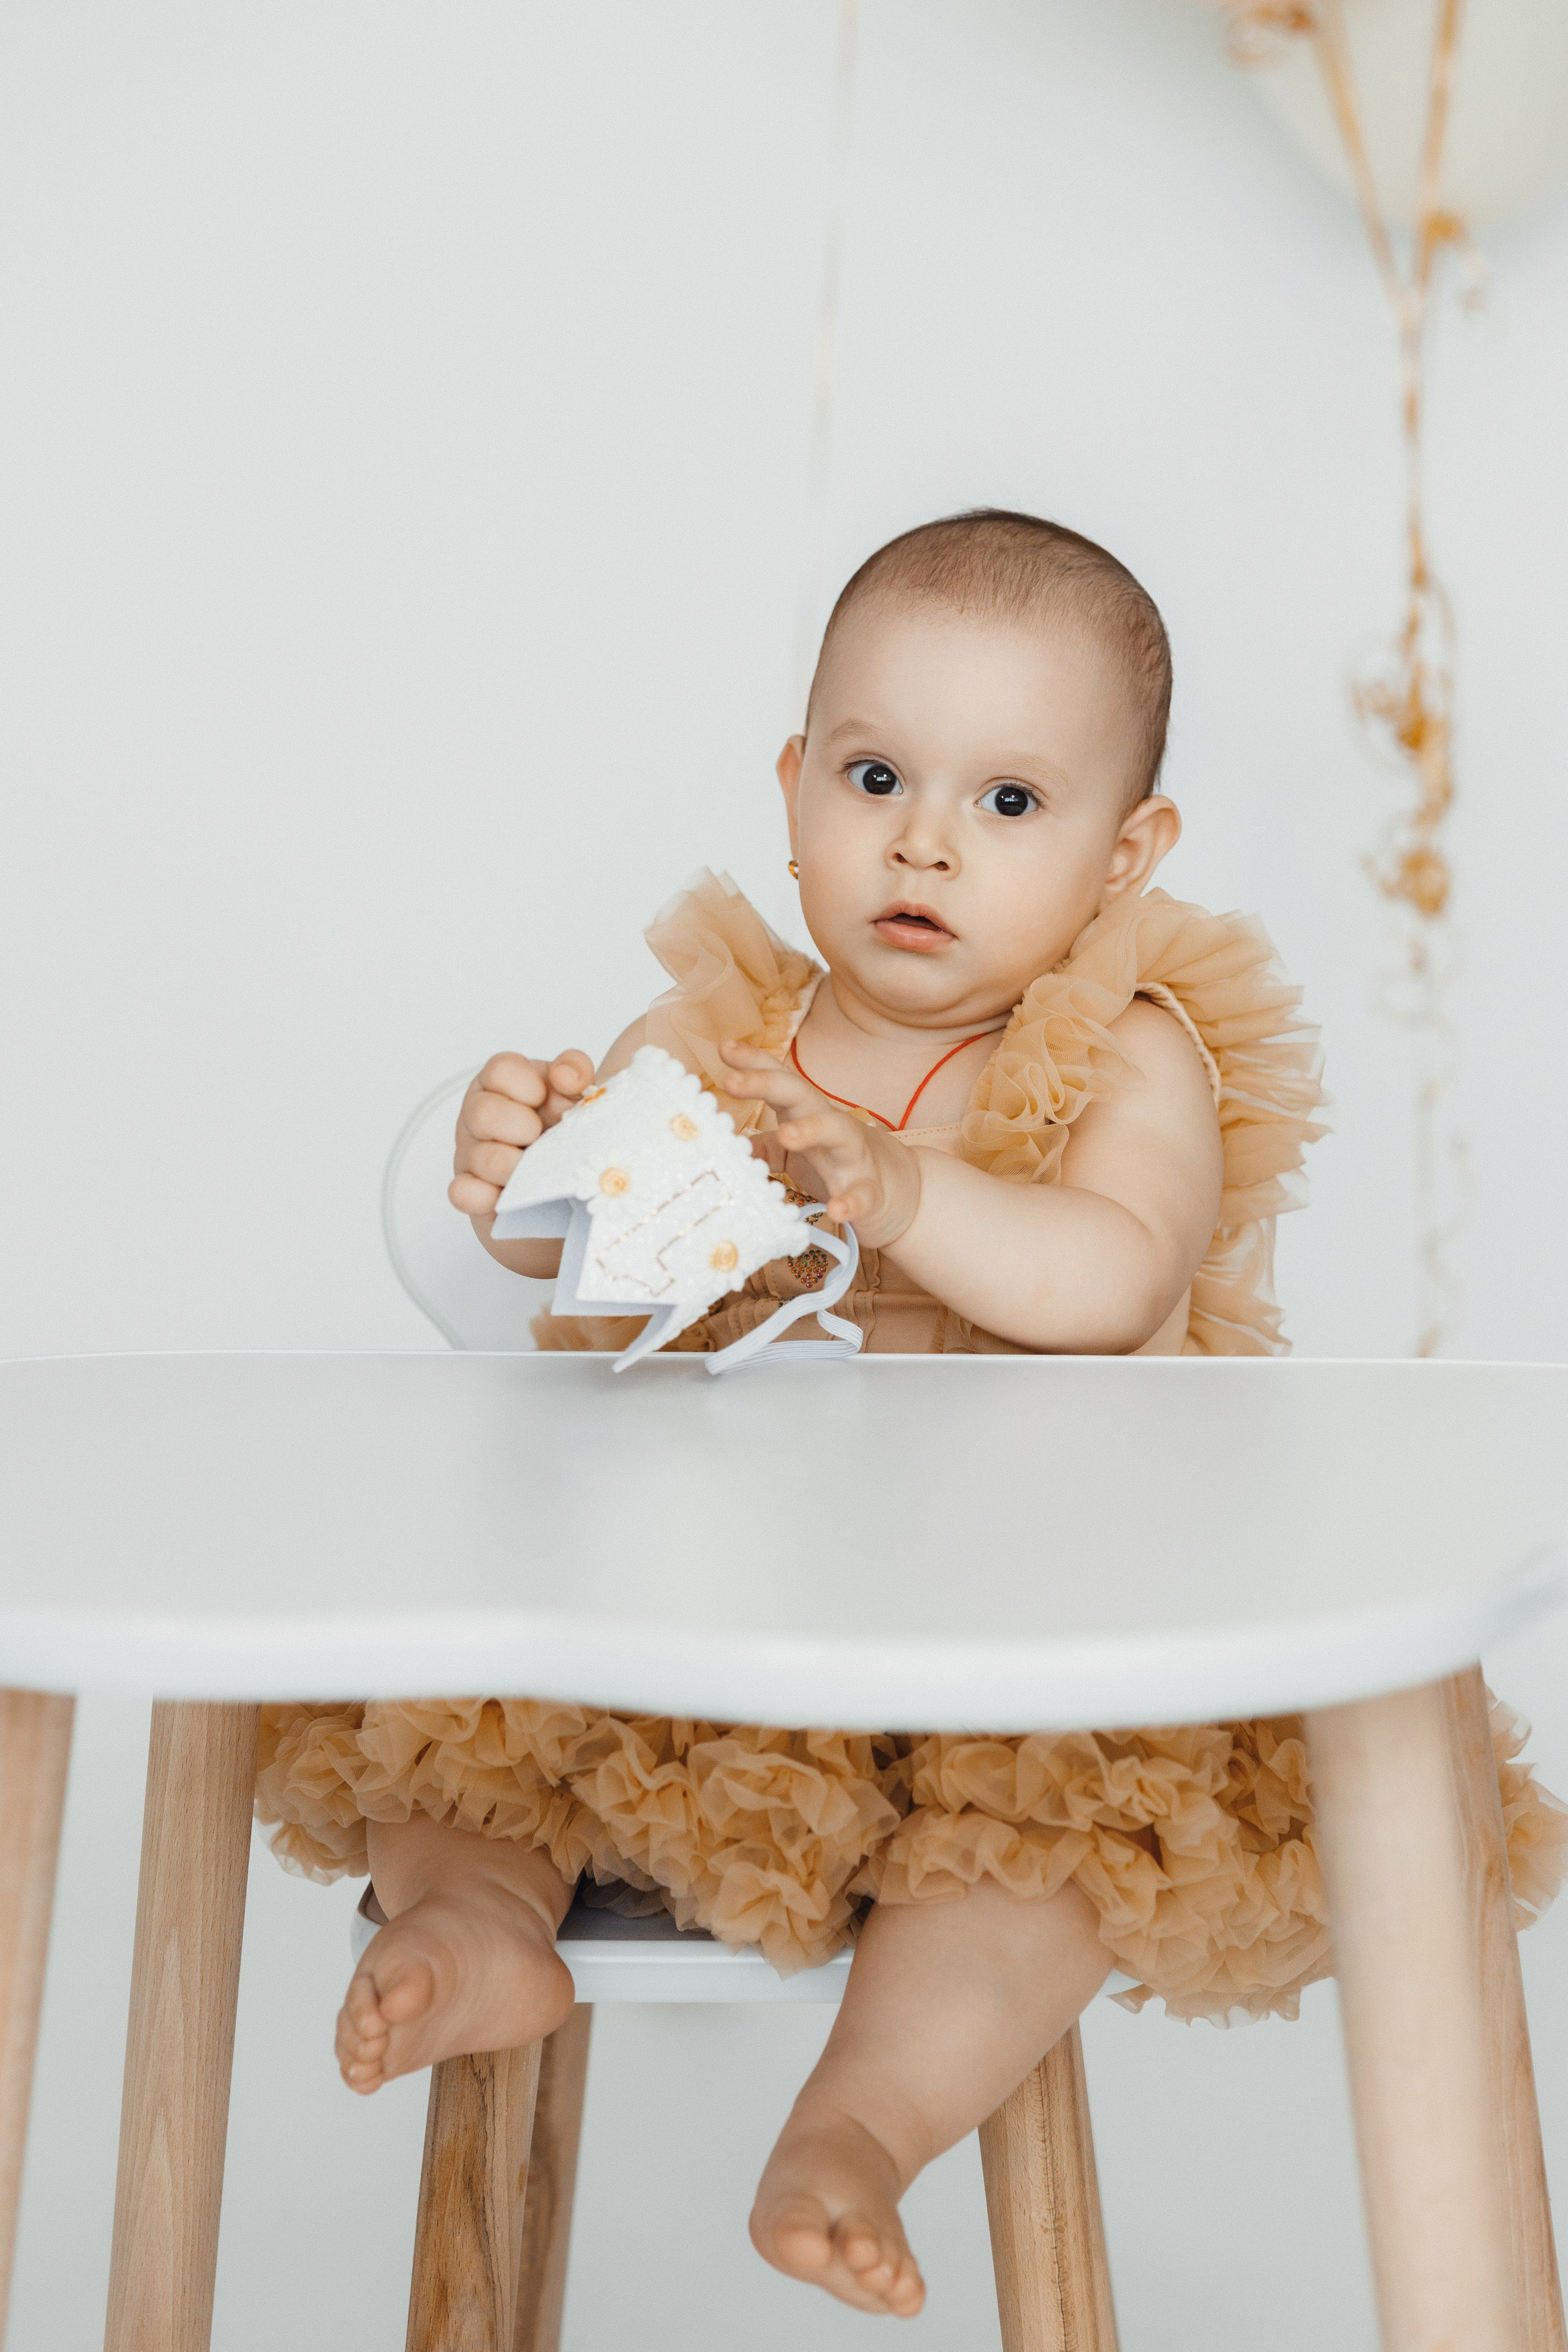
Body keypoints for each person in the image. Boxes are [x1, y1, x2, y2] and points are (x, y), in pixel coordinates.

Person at [257, 510, 1566, 2320]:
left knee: (1045, 1862)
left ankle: (860, 2124)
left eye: (1012, 803)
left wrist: (905, 1194)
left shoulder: (1126, 1051)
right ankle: (480, 1927)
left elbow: (1112, 1279)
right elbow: (613, 1314)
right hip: (714, 1630)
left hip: (1012, 1642)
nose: (926, 841)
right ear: (795, 788)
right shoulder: (707, 1031)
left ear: (1128, 851)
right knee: (466, 1721)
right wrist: (530, 1191)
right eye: (876, 775)